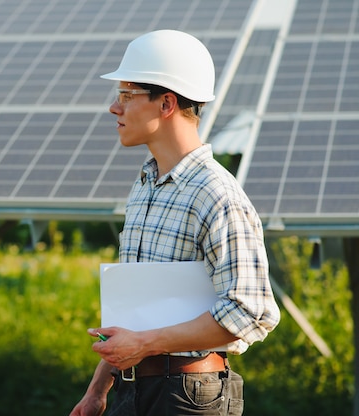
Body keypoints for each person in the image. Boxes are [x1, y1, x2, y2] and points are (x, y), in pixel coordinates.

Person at [69, 30, 281, 416]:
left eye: (126, 95)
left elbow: (249, 311)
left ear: (166, 103)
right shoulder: (145, 186)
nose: (114, 108)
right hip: (132, 389)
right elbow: (138, 315)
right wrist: (97, 390)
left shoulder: (217, 194)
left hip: (189, 397)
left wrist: (146, 344)